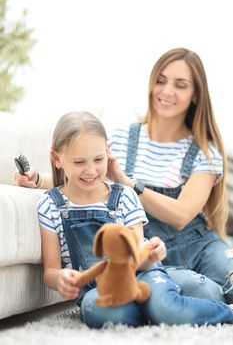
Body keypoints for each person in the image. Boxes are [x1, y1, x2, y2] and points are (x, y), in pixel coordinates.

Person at [14, 48, 232, 303]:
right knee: (192, 293)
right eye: (160, 81)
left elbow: (181, 215)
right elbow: (86, 178)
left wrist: (128, 183)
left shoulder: (205, 151)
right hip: (149, 253)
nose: (167, 91)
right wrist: (37, 180)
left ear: (196, 94)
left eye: (180, 85)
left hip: (200, 247)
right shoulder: (121, 137)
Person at [36, 110, 233, 328]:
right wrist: (60, 279)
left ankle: (223, 312)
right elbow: (50, 272)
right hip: (98, 289)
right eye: (80, 162)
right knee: (99, 312)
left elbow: (138, 256)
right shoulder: (50, 205)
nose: (90, 170)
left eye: (98, 159)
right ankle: (157, 309)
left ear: (108, 152)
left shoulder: (124, 196)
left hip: (143, 275)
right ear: (57, 159)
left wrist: (152, 254)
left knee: (166, 307)